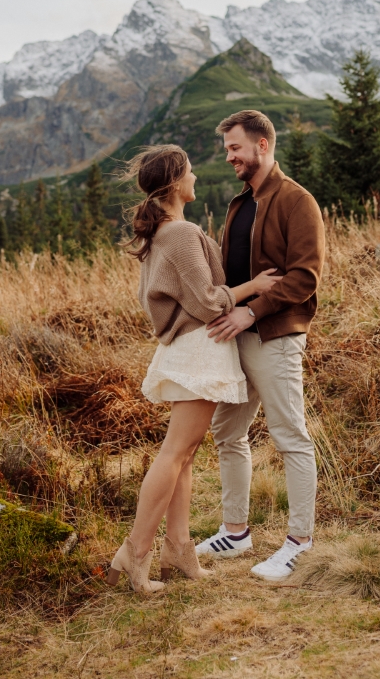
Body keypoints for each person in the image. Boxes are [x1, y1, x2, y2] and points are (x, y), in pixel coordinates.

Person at [107, 144, 282, 593]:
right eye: (189, 172)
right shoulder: (179, 234)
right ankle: (135, 552)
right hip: (198, 349)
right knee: (174, 454)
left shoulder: (162, 233)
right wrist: (254, 287)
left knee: (182, 457)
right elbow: (207, 302)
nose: (196, 178)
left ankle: (179, 551)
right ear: (173, 184)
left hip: (188, 349)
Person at [196, 110, 325, 581]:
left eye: (235, 148)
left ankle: (300, 541)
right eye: (228, 149)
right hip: (236, 339)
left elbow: (305, 277)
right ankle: (236, 532)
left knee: (290, 436)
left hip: (274, 337)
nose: (228, 156)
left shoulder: (297, 201)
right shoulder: (240, 202)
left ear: (262, 146)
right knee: (227, 432)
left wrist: (252, 311)